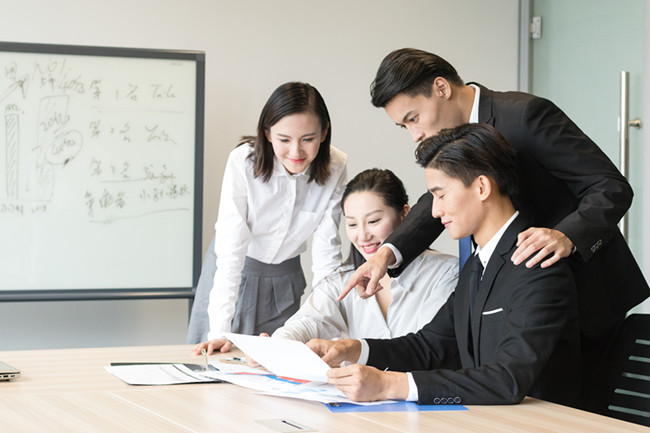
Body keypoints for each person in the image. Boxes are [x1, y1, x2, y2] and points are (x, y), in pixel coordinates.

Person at [338, 48, 649, 410]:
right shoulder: (473, 257)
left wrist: (566, 236)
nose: (414, 134)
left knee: (564, 404)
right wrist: (387, 254)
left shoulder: (526, 116)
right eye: (403, 126)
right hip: (507, 272)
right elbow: (436, 201)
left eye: (413, 118)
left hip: (578, 289)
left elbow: (610, 186)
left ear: (441, 88)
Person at [310, 123, 581, 407]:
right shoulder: (479, 264)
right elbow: (428, 346)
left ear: (481, 187)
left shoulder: (537, 264)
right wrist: (352, 349)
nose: (436, 211)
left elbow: (507, 380)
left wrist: (391, 384)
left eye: (440, 195)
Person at [188, 82, 347, 354]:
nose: (296, 152)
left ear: (324, 133)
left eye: (307, 139)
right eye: (284, 140)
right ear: (267, 133)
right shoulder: (243, 162)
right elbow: (231, 252)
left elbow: (326, 255)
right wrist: (218, 331)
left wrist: (331, 329)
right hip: (232, 271)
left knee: (276, 365)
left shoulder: (335, 166)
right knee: (214, 358)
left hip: (284, 280)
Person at [272, 168, 458, 342]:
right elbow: (306, 323)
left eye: (373, 221)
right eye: (352, 224)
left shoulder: (445, 273)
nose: (362, 236)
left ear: (405, 214)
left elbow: (428, 349)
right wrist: (276, 345)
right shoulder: (339, 281)